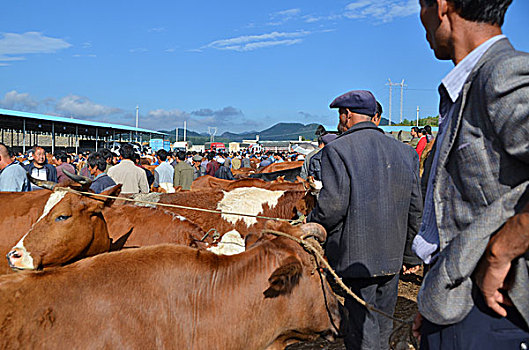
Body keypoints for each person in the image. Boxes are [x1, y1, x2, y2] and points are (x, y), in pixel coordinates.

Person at [411, 1, 529, 348]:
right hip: (460, 304)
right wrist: (435, 299)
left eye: (422, 4)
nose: (422, 18)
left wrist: (502, 250)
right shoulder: (466, 86)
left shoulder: (503, 74)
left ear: (443, 6)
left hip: (493, 307)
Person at [307, 90, 422, 350]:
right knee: (383, 319)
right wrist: (411, 256)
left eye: (340, 115)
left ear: (346, 115)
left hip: (355, 256)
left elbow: (332, 207)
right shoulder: (405, 153)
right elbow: (415, 208)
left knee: (362, 325)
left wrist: (311, 223)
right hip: (392, 256)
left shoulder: (337, 150)